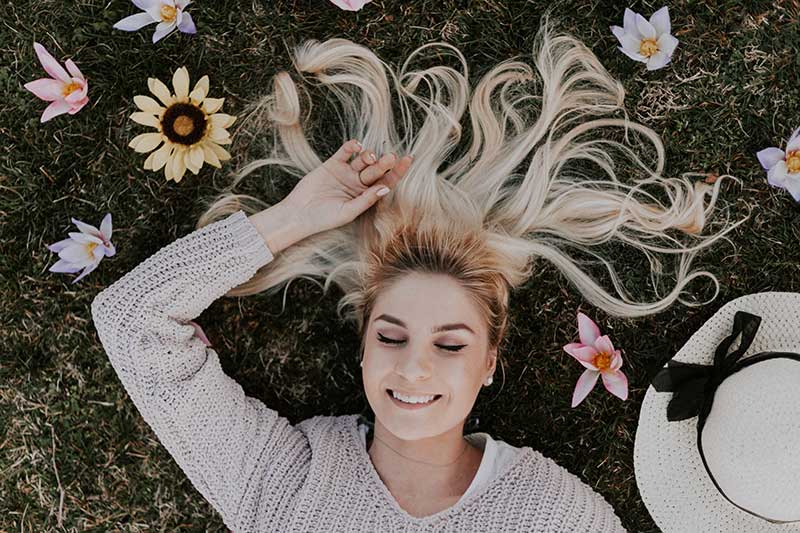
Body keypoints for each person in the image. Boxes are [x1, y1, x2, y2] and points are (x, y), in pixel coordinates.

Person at [91, 18, 745, 532]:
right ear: (364, 343)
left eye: (451, 343)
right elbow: (132, 322)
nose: (414, 367)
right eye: (393, 336)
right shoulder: (285, 485)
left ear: (491, 360)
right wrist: (289, 219)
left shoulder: (549, 515)